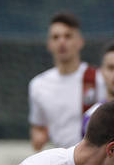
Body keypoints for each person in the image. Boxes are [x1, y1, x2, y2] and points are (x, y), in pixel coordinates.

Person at [28, 11, 107, 151]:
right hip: (61, 162)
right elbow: (38, 127)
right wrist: (38, 138)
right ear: (49, 44)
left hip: (95, 162)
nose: (62, 41)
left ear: (80, 42)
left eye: (68, 36)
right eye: (56, 37)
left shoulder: (98, 79)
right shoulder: (38, 85)